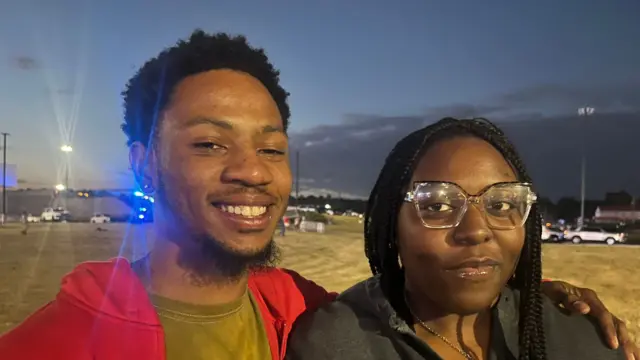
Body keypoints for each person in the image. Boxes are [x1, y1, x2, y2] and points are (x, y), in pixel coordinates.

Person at [0, 31, 636, 360]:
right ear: (143, 165)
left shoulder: (296, 309)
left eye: (272, 148)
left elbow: (420, 301)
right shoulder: (52, 344)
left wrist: (547, 295)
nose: (252, 172)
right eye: (209, 144)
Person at [285, 117, 636, 360]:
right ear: (393, 226)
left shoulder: (581, 338)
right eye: (437, 205)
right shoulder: (336, 344)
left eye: (500, 203)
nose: (476, 231)